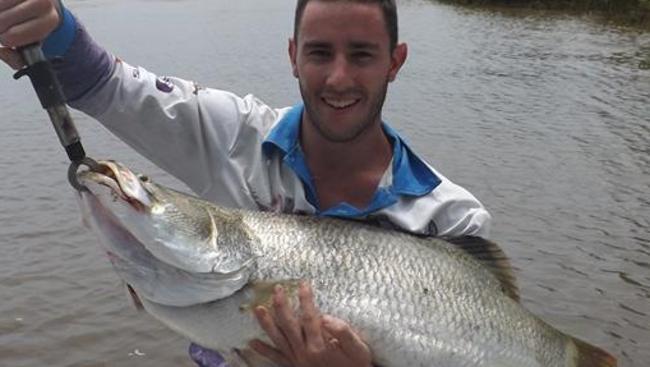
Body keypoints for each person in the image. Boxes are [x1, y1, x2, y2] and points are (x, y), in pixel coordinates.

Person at [0, 0, 492, 366]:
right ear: (294, 56)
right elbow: (113, 86)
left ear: (395, 61)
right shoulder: (235, 134)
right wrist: (51, 27)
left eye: (361, 55)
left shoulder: (450, 216)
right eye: (320, 53)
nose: (339, 78)